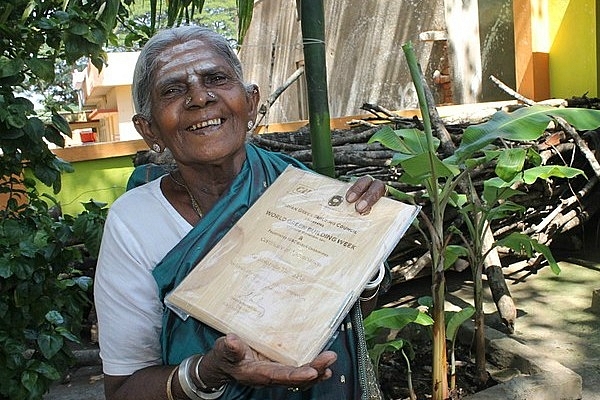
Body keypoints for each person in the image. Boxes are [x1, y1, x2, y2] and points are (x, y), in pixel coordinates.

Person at [94, 25, 388, 400]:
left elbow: (350, 314)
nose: (200, 97)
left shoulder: (302, 191)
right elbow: (123, 389)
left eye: (216, 78)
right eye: (173, 89)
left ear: (250, 103)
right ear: (149, 129)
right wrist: (207, 372)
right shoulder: (133, 222)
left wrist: (365, 241)